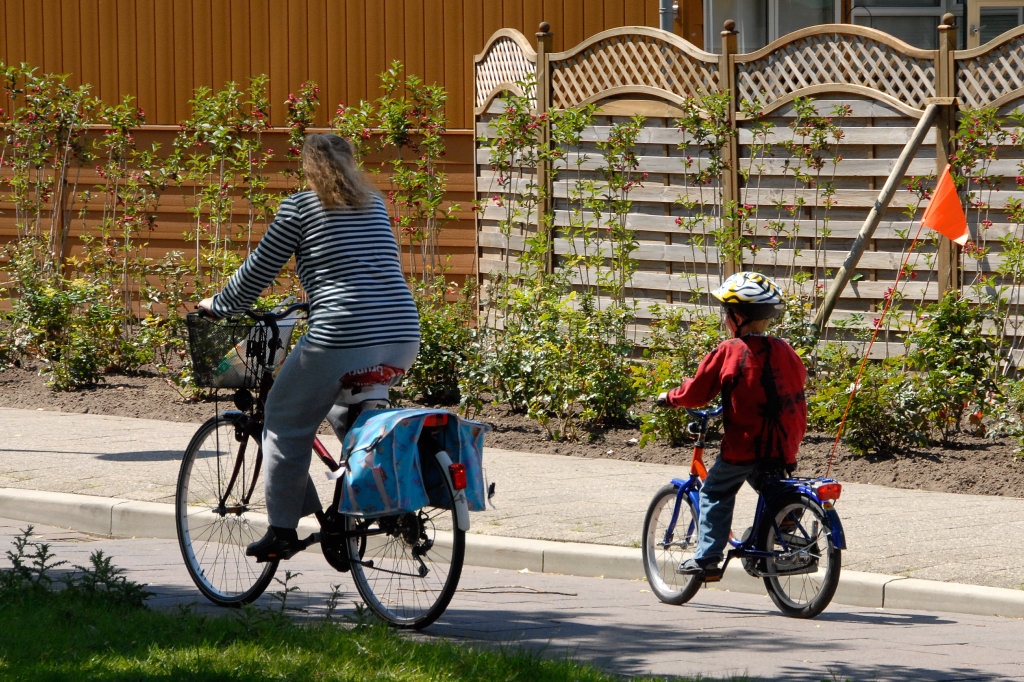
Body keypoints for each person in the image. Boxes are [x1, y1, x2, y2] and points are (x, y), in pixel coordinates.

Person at [198, 133, 420, 562]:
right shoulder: (375, 204)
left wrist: (220, 305)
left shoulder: (299, 208)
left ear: (308, 167)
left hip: (342, 332)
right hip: (400, 332)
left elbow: (258, 271)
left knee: (282, 418)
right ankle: (362, 504)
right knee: (344, 408)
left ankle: (282, 531)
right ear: (352, 164)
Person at [657, 271, 807, 579]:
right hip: (785, 442)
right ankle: (782, 524)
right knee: (774, 488)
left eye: (726, 312)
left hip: (746, 443)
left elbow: (697, 393)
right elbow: (793, 380)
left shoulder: (730, 351)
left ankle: (708, 558)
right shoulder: (786, 349)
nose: (725, 318)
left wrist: (671, 397)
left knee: (715, 491)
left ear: (737, 316)